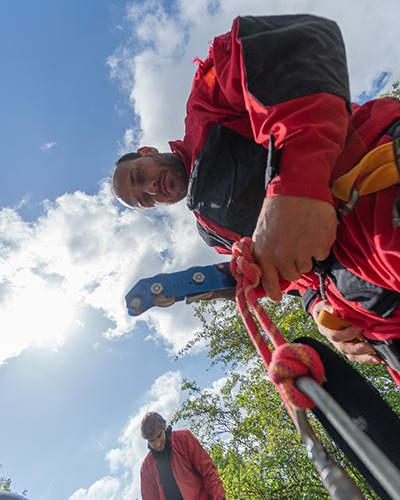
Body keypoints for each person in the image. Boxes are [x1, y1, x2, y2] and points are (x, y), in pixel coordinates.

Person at [111, 14, 400, 386]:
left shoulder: (206, 107)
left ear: (147, 151)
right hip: (370, 309)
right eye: (144, 200)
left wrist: (295, 186)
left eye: (140, 176)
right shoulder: (211, 233)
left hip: (375, 192)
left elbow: (295, 43)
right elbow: (287, 276)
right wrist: (318, 307)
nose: (152, 189)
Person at [140, 412, 226, 500]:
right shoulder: (146, 468)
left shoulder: (184, 439)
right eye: (152, 441)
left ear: (164, 427)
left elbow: (208, 471)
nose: (157, 444)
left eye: (159, 436)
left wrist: (220, 497)